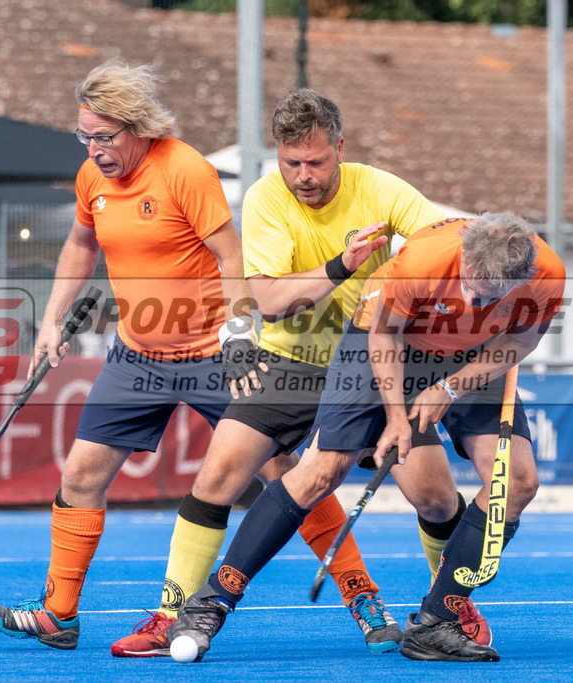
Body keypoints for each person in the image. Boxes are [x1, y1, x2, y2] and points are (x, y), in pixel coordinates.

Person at [0, 62, 381, 653]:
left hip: (216, 354)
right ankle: (59, 614)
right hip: (137, 356)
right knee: (81, 475)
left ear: (138, 127)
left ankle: (363, 599)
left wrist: (241, 335)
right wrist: (51, 321)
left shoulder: (185, 170)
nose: (94, 149)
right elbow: (80, 242)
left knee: (284, 473)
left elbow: (230, 255)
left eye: (105, 136)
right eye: (84, 136)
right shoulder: (92, 177)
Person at [114, 88, 489, 658]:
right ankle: (173, 615)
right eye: (293, 163)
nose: (305, 175)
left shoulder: (383, 190)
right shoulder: (267, 199)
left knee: (436, 500)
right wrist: (343, 266)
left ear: (339, 148)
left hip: (375, 359)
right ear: (278, 155)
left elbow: (447, 244)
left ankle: (450, 608)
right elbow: (267, 301)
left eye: (316, 161)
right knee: (218, 475)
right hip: (294, 362)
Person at [170, 212, 566, 662]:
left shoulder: (547, 275)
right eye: (471, 286)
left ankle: (436, 623)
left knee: (516, 482)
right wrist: (397, 417)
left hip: (478, 353)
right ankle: (211, 603)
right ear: (464, 256)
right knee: (321, 472)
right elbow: (384, 336)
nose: (475, 301)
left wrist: (451, 386)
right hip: (385, 339)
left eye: (491, 296)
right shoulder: (422, 261)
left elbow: (520, 343)